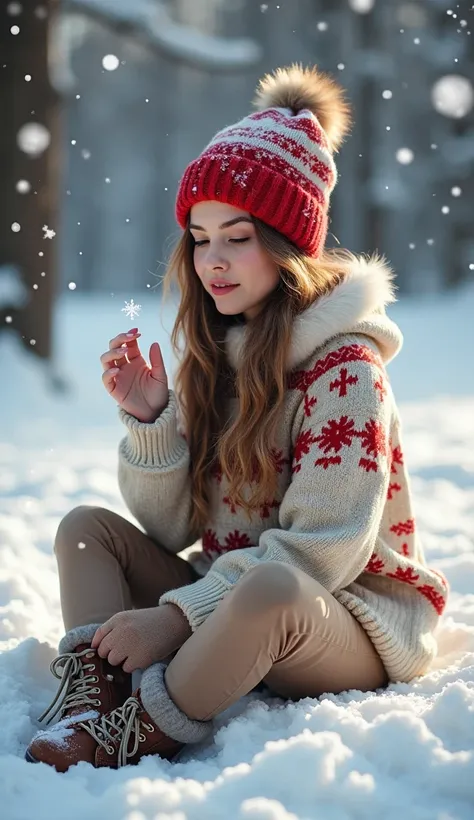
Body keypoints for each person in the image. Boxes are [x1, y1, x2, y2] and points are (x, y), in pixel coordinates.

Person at [26, 64, 448, 772]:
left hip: (343, 621)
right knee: (85, 531)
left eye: (237, 236)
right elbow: (171, 530)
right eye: (199, 236)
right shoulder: (217, 355)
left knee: (273, 586)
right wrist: (154, 421)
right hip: (230, 596)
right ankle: (94, 695)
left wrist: (173, 620)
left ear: (287, 244)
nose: (211, 261)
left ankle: (139, 726)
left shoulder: (346, 370)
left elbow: (322, 552)